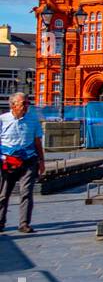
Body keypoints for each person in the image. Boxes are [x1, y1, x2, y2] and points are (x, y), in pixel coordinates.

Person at [0, 92, 46, 234]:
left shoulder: (33, 120)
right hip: (7, 162)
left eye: (27, 103)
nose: (26, 106)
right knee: (3, 194)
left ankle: (24, 223)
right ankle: (1, 222)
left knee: (26, 192)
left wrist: (42, 160)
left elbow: (38, 142)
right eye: (23, 104)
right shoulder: (2, 120)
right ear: (13, 105)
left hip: (29, 161)